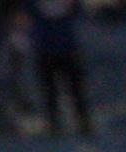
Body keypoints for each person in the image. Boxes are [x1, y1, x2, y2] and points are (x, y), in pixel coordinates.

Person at [27, 0, 90, 136]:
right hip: (51, 46)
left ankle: (78, 121)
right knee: (53, 89)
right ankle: (59, 122)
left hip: (60, 46)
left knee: (72, 88)